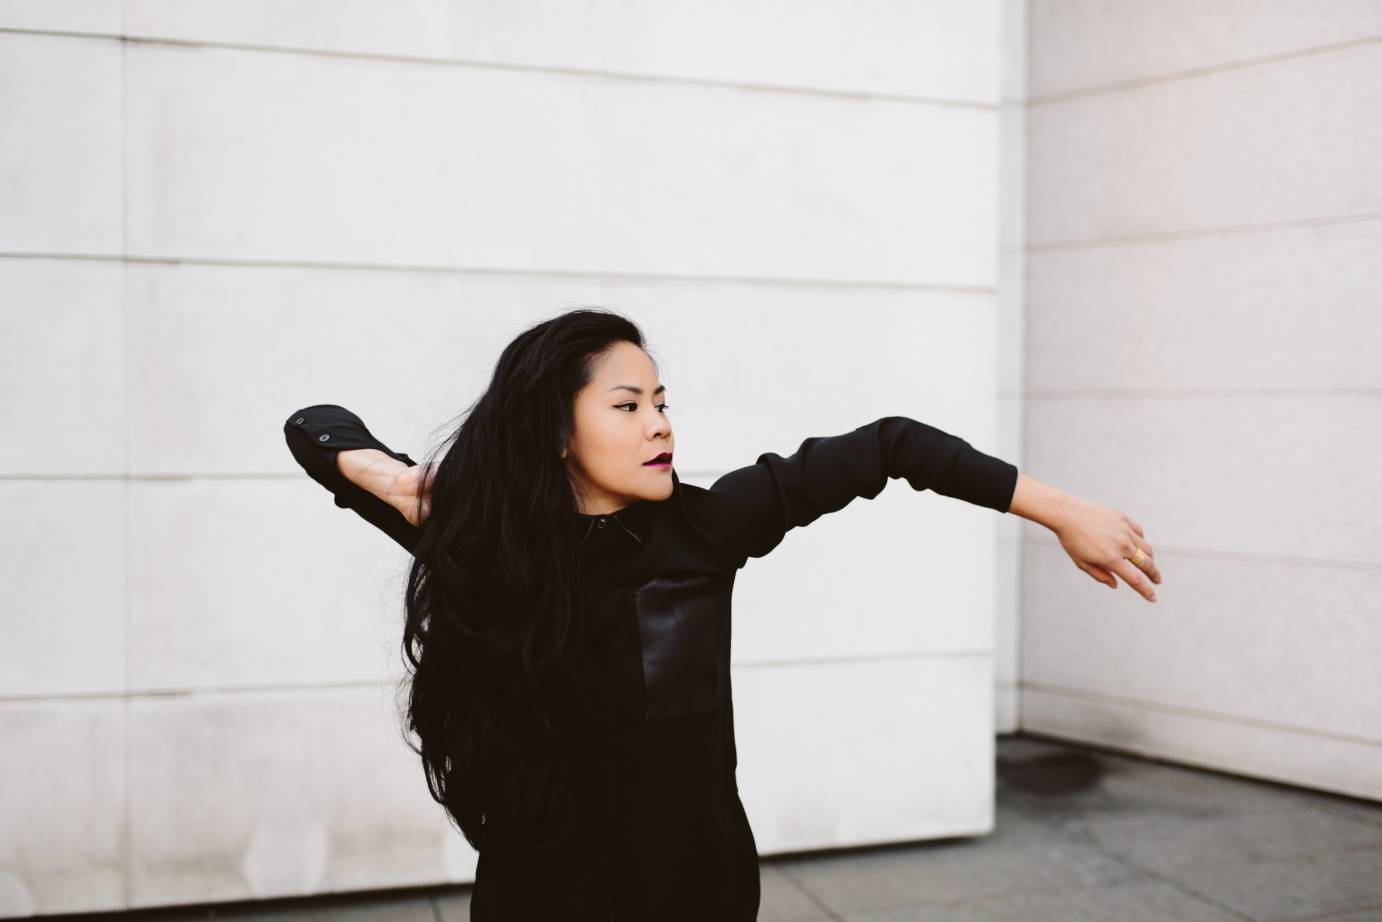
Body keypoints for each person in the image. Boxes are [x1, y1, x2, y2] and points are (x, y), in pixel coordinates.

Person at [283, 308, 1162, 921]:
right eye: (627, 406)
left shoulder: (704, 528)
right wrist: (392, 480)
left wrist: (1059, 510)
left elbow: (890, 445)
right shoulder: (490, 543)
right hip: (540, 891)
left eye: (661, 401)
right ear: (556, 429)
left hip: (694, 887)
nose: (659, 423)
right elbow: (312, 426)